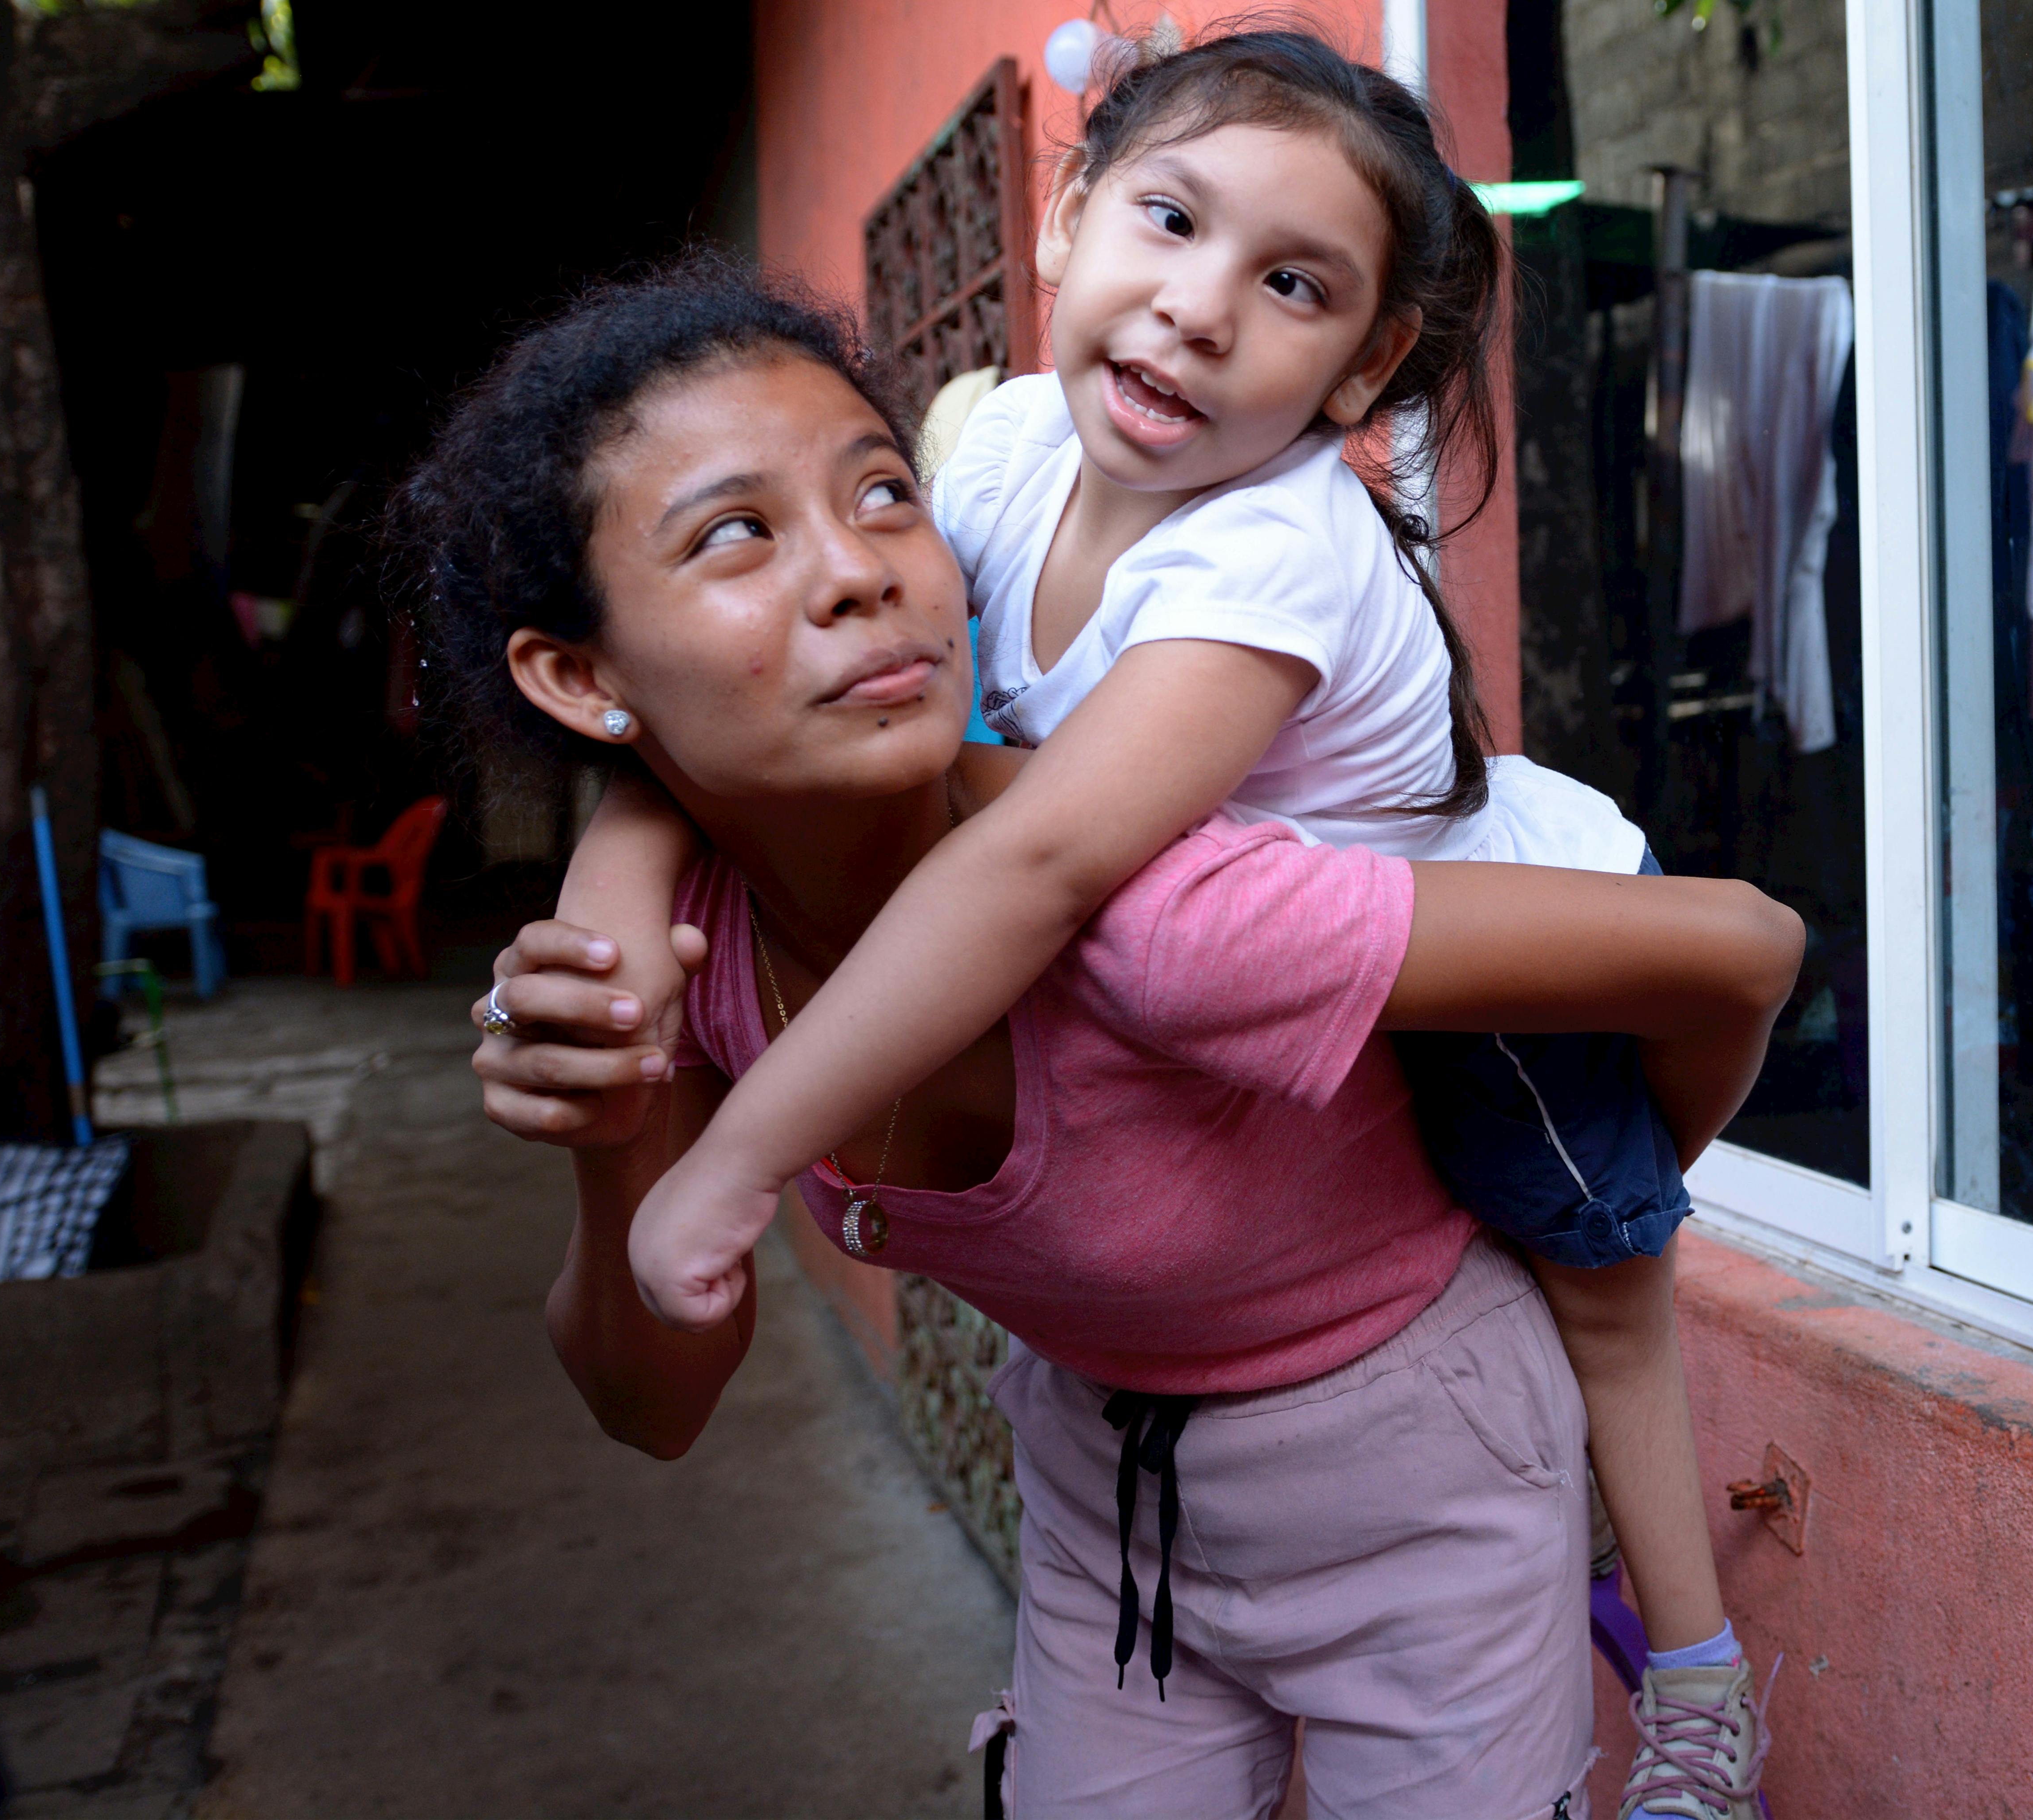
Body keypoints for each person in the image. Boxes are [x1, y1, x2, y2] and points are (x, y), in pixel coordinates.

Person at [392, 257, 1803, 1817]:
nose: (862, 572)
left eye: (882, 495)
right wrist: (614, 1141)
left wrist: (1603, 1214)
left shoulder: (1175, 904)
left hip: (1423, 1475)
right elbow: (652, 1409)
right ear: (578, 677)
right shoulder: (680, 957)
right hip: (1101, 1490)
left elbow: (1741, 951)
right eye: (736, 533)